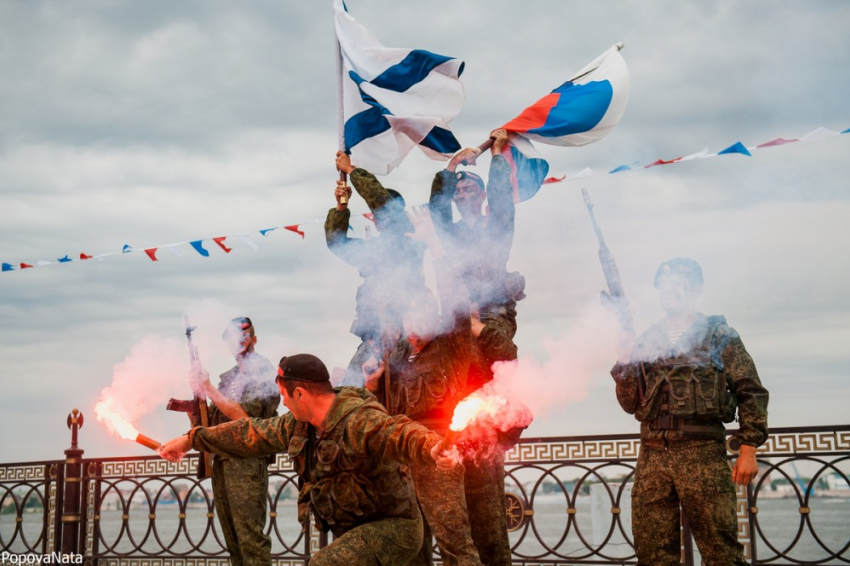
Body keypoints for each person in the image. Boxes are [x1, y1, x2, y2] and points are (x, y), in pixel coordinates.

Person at [161, 353, 453, 566]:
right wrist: (191, 439)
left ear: (299, 393)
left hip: (393, 527)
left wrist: (432, 448)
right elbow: (251, 432)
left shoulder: (359, 419)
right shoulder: (298, 425)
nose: (283, 403)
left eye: (285, 396)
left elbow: (399, 432)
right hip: (354, 531)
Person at [364, 206, 508, 566]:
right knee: (412, 547)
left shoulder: (451, 347)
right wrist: (370, 384)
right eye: (410, 314)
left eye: (425, 313)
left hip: (440, 453)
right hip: (402, 455)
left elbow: (455, 296)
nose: (416, 323)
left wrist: (433, 244)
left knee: (455, 545)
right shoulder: (396, 354)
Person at [610, 258, 769, 566]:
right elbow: (629, 403)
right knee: (653, 555)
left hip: (703, 454)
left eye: (680, 286)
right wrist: (624, 360)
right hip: (653, 455)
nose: (671, 292)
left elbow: (751, 390)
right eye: (665, 287)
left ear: (696, 290)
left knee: (721, 554)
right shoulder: (647, 340)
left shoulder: (719, 335)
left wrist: (749, 447)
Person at [428, 128, 524, 394]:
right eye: (457, 191)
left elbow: (501, 196)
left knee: (492, 371)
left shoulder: (495, 227)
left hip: (493, 313)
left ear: (482, 196)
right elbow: (437, 211)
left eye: (469, 188)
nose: (462, 194)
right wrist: (452, 165)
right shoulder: (453, 234)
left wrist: (496, 154)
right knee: (453, 375)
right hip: (458, 314)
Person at [325, 152, 425, 386]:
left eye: (384, 214)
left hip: (404, 336)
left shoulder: (409, 242)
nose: (381, 219)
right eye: (377, 216)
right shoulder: (373, 252)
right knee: (350, 394)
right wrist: (341, 208)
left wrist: (352, 171)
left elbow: (386, 209)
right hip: (372, 340)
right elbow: (336, 243)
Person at [193, 317, 280, 566]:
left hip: (247, 462)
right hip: (222, 459)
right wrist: (198, 397)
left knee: (251, 542)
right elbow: (213, 418)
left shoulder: (263, 372)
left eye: (243, 337)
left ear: (254, 338)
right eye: (232, 340)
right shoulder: (229, 377)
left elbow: (245, 417)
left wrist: (208, 388)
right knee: (233, 543)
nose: (238, 344)